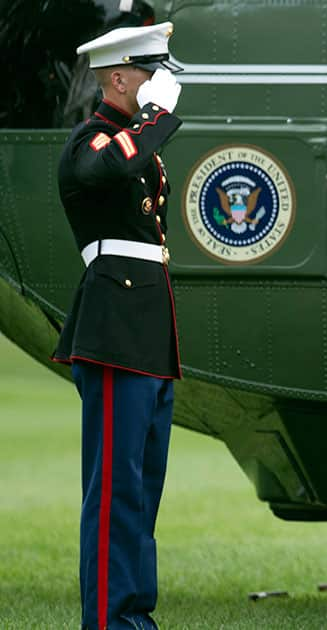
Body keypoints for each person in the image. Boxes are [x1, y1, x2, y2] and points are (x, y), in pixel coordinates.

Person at [50, 21, 184, 630]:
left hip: (148, 335)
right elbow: (102, 173)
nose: (163, 84)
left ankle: (134, 616)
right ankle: (109, 621)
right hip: (114, 334)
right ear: (119, 77)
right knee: (113, 494)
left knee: (142, 493)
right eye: (153, 72)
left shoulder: (130, 145)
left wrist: (148, 127)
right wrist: (152, 123)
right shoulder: (91, 142)